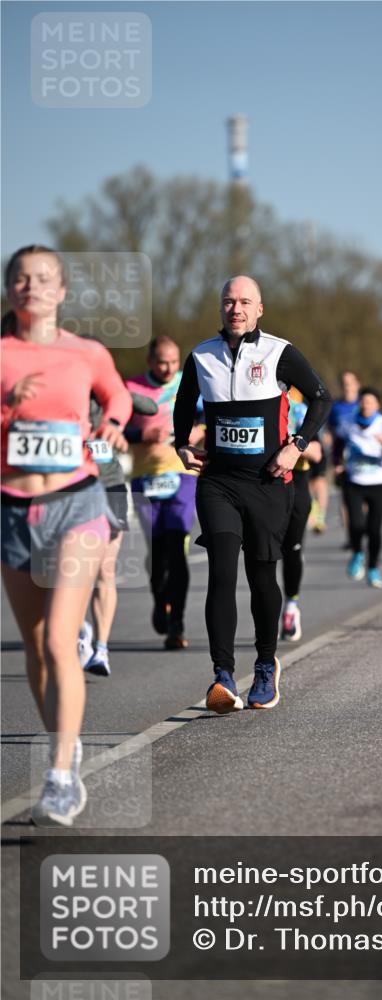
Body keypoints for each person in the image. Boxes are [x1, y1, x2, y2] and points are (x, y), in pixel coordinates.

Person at [1, 245, 132, 825]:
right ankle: (65, 738)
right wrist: (7, 404)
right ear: (10, 291)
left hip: (76, 503)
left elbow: (118, 394)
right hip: (11, 506)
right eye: (22, 279)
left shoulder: (87, 352)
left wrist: (115, 423)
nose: (33, 286)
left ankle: (59, 775)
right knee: (35, 649)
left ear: (62, 290)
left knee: (60, 640)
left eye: (44, 278)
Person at [173, 275, 331, 713]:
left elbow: (321, 397)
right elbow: (184, 403)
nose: (235, 309)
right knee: (221, 571)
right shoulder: (201, 355)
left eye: (244, 302)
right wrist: (181, 444)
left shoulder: (279, 352)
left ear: (259, 308)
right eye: (228, 301)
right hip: (219, 482)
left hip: (267, 483)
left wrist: (295, 446)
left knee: (262, 578)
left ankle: (265, 664)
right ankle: (222, 676)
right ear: (220, 307)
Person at [124, 338, 205, 650]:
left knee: (176, 544)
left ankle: (177, 624)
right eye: (161, 362)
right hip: (145, 476)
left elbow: (208, 414)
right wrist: (141, 434)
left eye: (173, 362)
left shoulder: (191, 383)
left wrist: (200, 430)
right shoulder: (130, 388)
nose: (168, 368)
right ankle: (160, 597)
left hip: (182, 474)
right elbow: (111, 426)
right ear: (149, 361)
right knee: (157, 550)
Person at [78, 391, 158, 676]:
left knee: (104, 570)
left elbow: (149, 406)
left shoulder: (102, 389)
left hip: (109, 486)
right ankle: (79, 628)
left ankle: (100, 649)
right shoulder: (53, 386)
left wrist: (116, 392)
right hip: (67, 488)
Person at [334, 387, 382, 588]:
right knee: (356, 524)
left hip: (379, 482)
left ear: (377, 405)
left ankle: (373, 569)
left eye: (371, 402)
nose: (367, 406)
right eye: (364, 402)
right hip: (354, 482)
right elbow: (338, 445)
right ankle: (357, 553)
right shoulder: (349, 423)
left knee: (375, 528)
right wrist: (337, 463)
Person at [281, 388, 323, 641]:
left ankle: (291, 606)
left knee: (292, 550)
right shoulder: (253, 405)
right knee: (263, 554)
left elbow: (317, 453)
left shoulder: (300, 410)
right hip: (264, 485)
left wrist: (294, 445)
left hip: (296, 484)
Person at [325, 370, 361, 547]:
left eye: (350, 382)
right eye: (344, 383)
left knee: (362, 498)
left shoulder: (364, 403)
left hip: (362, 458)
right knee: (345, 499)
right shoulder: (336, 407)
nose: (347, 386)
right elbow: (330, 431)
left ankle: (361, 530)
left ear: (357, 384)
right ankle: (352, 537)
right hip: (342, 458)